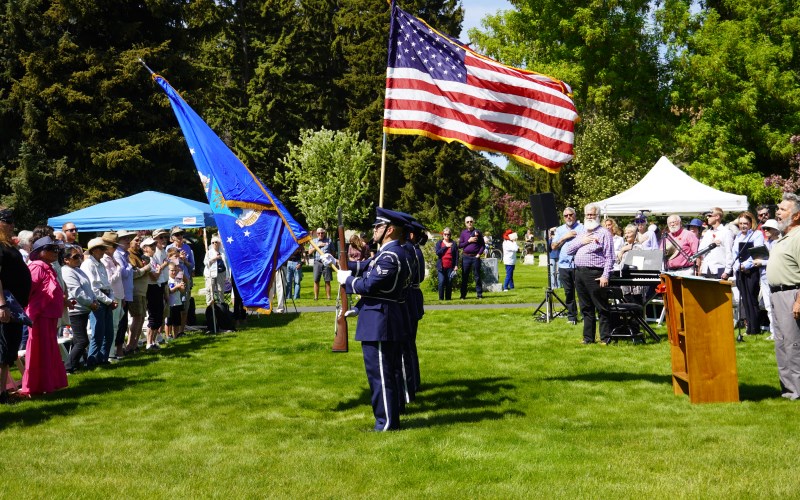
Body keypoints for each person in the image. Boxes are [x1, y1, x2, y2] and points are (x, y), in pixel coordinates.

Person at [336, 208, 411, 431]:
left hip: (380, 321)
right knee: (386, 373)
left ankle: (386, 423)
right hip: (378, 316)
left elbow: (370, 285)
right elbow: (375, 286)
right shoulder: (387, 254)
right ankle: (389, 419)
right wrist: (359, 307)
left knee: (380, 375)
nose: (374, 230)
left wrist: (348, 281)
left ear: (390, 230)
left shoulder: (391, 256)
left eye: (378, 226)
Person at [19, 237, 68, 396]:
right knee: (39, 350)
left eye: (56, 249)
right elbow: (27, 290)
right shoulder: (37, 267)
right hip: (40, 315)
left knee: (49, 350)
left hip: (49, 315)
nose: (56, 252)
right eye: (51, 249)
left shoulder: (48, 267)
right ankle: (37, 386)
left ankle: (50, 383)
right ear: (40, 252)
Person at [564, 203, 614, 345]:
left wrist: (605, 275)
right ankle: (588, 338)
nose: (589, 217)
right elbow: (569, 250)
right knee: (585, 307)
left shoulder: (604, 233)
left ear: (598, 216)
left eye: (592, 214)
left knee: (601, 306)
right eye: (587, 214)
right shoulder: (582, 232)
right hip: (579, 272)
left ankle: (605, 337)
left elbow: (610, 256)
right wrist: (582, 241)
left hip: (595, 273)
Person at [766, 193, 800, 399]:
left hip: (791, 294)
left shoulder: (798, 237)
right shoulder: (783, 237)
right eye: (778, 208)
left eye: (783, 209)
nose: (777, 212)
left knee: (793, 344)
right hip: (777, 295)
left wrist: (799, 301)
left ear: (796, 215)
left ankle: (798, 390)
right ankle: (788, 390)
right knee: (781, 344)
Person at [81, 237, 118, 365]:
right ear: (95, 250)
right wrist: (109, 301)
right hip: (97, 300)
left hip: (106, 298)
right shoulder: (88, 264)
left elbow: (107, 284)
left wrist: (111, 299)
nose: (104, 251)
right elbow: (92, 288)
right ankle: (92, 360)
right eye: (102, 249)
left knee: (108, 332)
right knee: (98, 332)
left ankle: (103, 359)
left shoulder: (100, 263)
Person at [62, 244, 98, 373]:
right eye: (75, 256)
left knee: (78, 340)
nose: (79, 259)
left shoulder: (78, 270)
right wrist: (90, 303)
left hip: (83, 309)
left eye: (80, 256)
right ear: (66, 259)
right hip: (75, 310)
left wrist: (94, 299)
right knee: (82, 341)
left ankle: (75, 365)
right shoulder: (66, 271)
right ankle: (68, 367)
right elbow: (77, 292)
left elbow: (89, 287)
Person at [732, 211, 765, 336]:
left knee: (752, 298)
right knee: (745, 299)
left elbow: (756, 253)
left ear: (751, 223)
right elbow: (734, 254)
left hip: (751, 270)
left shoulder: (757, 235)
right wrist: (738, 266)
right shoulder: (738, 236)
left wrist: (745, 265)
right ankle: (749, 327)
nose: (742, 226)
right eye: (740, 223)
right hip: (740, 271)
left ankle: (755, 328)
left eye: (745, 223)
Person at [552, 207, 583, 324]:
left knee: (582, 292)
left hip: (579, 264)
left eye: (571, 215)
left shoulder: (582, 228)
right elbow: (553, 247)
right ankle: (572, 316)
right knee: (569, 292)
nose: (568, 217)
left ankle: (586, 315)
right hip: (564, 266)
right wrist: (565, 237)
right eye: (566, 216)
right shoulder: (560, 230)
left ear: (575, 215)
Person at [754, 219, 780, 340]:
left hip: (775, 277)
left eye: (768, 228)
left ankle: (779, 332)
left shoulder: (778, 243)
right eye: (764, 228)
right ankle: (774, 332)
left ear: (775, 230)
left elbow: (777, 261)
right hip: (764, 276)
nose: (765, 230)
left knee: (777, 306)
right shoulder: (766, 242)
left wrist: (762, 262)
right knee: (768, 306)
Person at [142, 236, 168, 350]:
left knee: (158, 316)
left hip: (158, 287)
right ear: (145, 248)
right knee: (153, 316)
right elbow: (154, 276)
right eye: (151, 246)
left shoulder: (152, 258)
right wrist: (160, 268)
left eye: (154, 245)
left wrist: (158, 270)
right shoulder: (145, 259)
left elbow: (157, 274)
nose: (153, 247)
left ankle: (153, 341)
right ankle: (149, 342)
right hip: (151, 288)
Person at [167, 226, 194, 335]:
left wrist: (185, 261)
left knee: (184, 306)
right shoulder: (168, 248)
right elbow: (167, 264)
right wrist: (178, 260)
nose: (179, 236)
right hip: (173, 279)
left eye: (181, 234)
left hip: (184, 279)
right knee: (172, 307)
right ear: (172, 237)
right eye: (177, 234)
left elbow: (192, 266)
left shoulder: (187, 247)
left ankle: (181, 331)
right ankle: (169, 333)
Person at [113, 230, 136, 358]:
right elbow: (123, 273)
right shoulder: (117, 254)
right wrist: (130, 266)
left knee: (123, 321)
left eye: (128, 238)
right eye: (124, 238)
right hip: (121, 293)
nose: (128, 241)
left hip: (126, 292)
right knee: (120, 322)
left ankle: (119, 349)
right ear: (117, 241)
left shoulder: (125, 254)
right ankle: (118, 350)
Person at [126, 235, 150, 354]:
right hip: (135, 291)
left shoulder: (139, 254)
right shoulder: (129, 255)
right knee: (137, 317)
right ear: (130, 242)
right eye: (136, 240)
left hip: (142, 291)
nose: (138, 242)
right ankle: (130, 345)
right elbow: (132, 274)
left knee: (141, 318)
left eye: (139, 240)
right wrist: (145, 269)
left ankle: (135, 345)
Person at [698, 207, 734, 279]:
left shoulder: (726, 232)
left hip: (719, 269)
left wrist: (727, 271)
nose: (707, 218)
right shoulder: (707, 233)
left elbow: (729, 253)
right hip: (706, 269)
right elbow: (700, 250)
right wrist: (711, 244)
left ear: (717, 217)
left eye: (710, 216)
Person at [458, 216, 485, 299]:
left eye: (471, 221)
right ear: (465, 223)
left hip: (475, 257)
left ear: (473, 222)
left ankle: (479, 295)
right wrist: (468, 241)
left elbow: (483, 245)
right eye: (467, 222)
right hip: (466, 257)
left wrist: (479, 254)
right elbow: (460, 245)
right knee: (465, 276)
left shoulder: (478, 232)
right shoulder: (463, 233)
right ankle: (463, 295)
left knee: (477, 276)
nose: (469, 223)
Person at [204, 235, 230, 305]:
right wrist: (214, 258)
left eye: (216, 242)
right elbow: (206, 263)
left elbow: (227, 262)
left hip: (221, 273)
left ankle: (221, 304)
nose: (214, 244)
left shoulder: (223, 252)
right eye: (213, 242)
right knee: (210, 289)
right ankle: (209, 304)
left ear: (219, 243)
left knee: (220, 289)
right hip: (210, 273)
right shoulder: (209, 252)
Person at [308, 228, 332, 300]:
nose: (320, 234)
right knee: (316, 280)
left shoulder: (329, 240)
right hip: (317, 262)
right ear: (317, 234)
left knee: (327, 280)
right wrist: (318, 246)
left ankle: (328, 297)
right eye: (319, 233)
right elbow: (309, 252)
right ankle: (316, 297)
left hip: (326, 263)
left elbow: (333, 251)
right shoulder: (314, 241)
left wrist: (330, 259)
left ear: (324, 233)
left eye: (322, 233)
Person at [435, 227, 458, 300]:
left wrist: (456, 265)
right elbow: (438, 253)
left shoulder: (454, 243)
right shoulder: (439, 243)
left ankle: (448, 298)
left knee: (449, 282)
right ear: (443, 235)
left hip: (450, 266)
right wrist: (446, 246)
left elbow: (456, 255)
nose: (447, 236)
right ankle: (441, 299)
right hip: (441, 266)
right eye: (445, 234)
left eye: (448, 234)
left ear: (450, 235)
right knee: (441, 282)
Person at [166, 262, 186, 339]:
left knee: (177, 322)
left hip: (178, 303)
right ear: (168, 270)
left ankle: (175, 336)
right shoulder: (167, 280)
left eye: (175, 270)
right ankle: (168, 335)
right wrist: (177, 287)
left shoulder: (178, 279)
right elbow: (169, 291)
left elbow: (182, 291)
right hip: (170, 304)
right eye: (172, 270)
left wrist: (181, 287)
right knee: (169, 322)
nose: (174, 272)